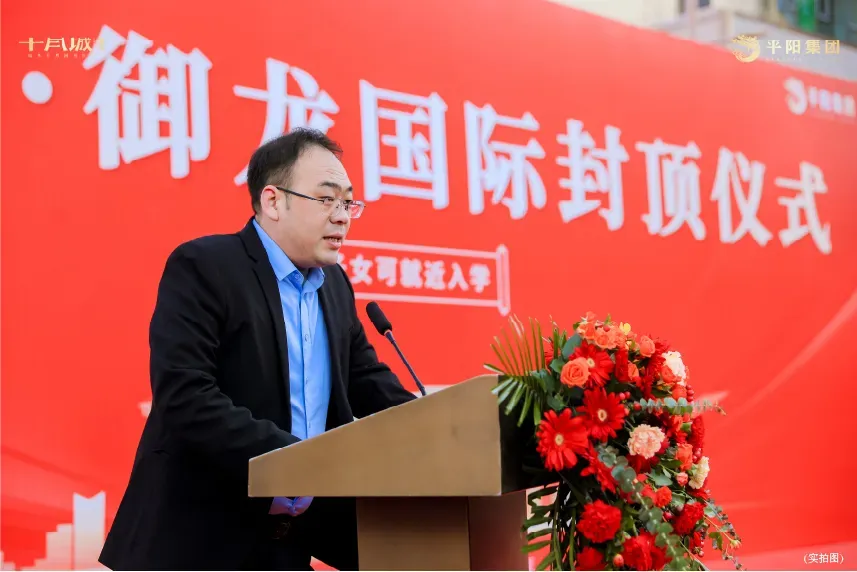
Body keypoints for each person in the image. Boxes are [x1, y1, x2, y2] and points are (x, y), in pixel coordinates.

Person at [99, 128, 417, 571]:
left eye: (348, 203)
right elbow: (185, 396)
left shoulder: (334, 286)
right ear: (273, 201)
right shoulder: (206, 267)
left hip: (288, 545)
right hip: (198, 545)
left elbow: (368, 383)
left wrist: (451, 425)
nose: (342, 216)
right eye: (327, 199)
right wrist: (301, 461)